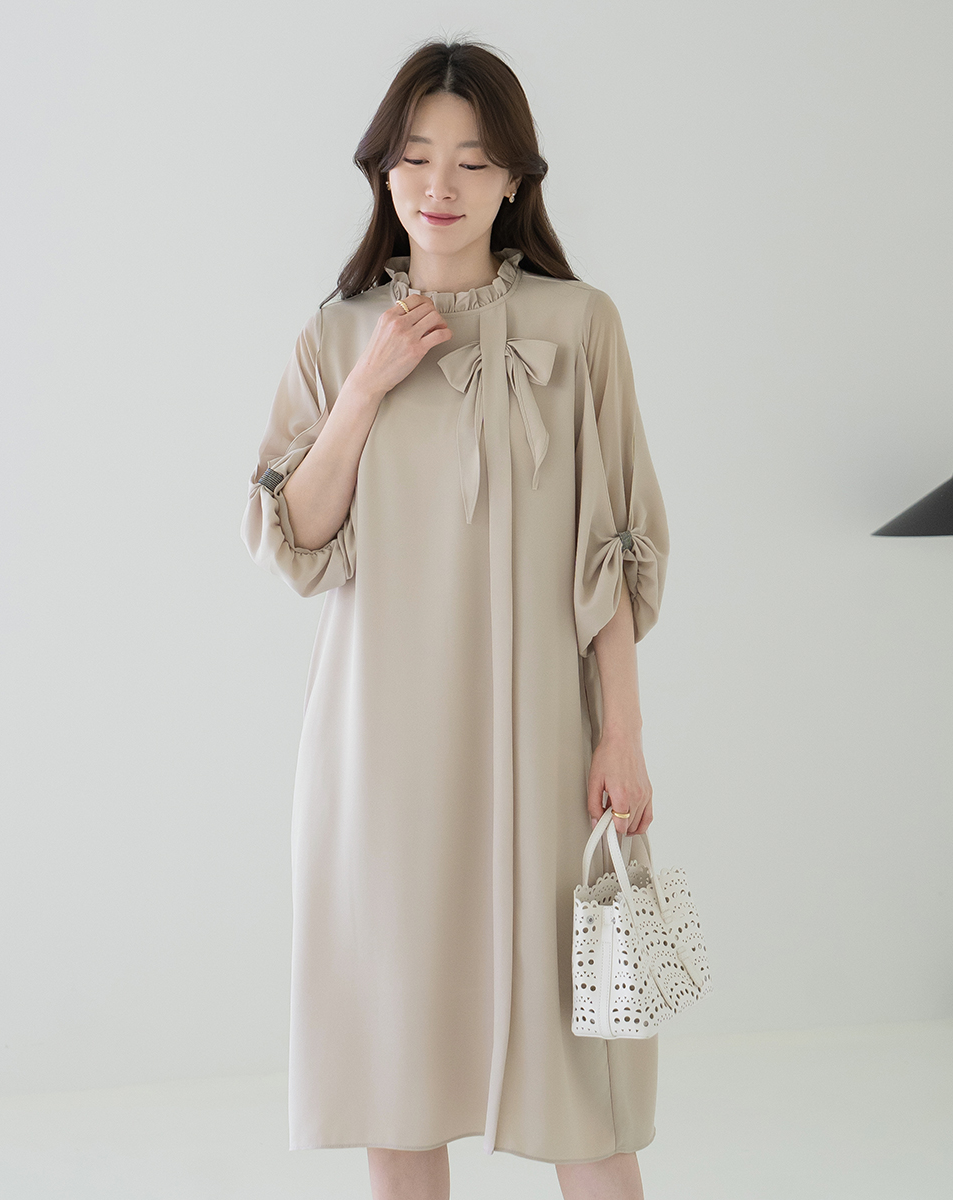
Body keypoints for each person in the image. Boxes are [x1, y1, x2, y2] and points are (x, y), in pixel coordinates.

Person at [240, 38, 670, 1200]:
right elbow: (300, 539)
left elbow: (614, 549)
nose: (440, 184)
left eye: (473, 161)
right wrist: (369, 384)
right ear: (382, 171)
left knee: (583, 1084)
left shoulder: (579, 325)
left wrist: (621, 734)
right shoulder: (337, 335)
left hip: (544, 746)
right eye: (416, 156)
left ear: (515, 178)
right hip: (377, 753)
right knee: (395, 1069)